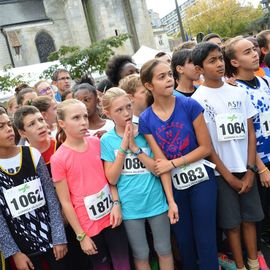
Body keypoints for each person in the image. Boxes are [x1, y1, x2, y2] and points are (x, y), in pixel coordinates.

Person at [139, 59, 218, 270]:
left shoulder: (189, 105)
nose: (169, 80)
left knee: (206, 238)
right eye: (161, 77)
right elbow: (160, 162)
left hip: (202, 179)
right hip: (174, 184)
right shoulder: (146, 119)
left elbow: (206, 148)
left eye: (169, 75)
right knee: (184, 240)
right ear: (149, 85)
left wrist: (174, 162)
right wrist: (171, 201)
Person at [191, 42, 264, 270]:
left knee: (250, 220)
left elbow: (250, 131)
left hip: (246, 167)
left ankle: (253, 263)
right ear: (199, 68)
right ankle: (240, 266)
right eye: (212, 61)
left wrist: (251, 169)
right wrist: (229, 177)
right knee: (232, 225)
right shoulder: (197, 100)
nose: (219, 64)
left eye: (220, 58)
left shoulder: (238, 92)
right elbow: (207, 145)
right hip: (221, 173)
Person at [50, 99, 131, 270]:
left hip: (111, 218)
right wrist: (81, 236)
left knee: (123, 264)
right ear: (62, 123)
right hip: (88, 226)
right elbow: (65, 202)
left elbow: (109, 178)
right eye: (76, 118)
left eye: (85, 116)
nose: (83, 122)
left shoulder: (96, 143)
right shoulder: (58, 159)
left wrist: (116, 203)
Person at [100, 88, 173, 270]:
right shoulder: (107, 141)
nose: (126, 113)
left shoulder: (145, 130)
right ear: (107, 114)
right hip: (130, 208)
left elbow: (158, 169)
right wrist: (124, 148)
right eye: (119, 110)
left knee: (164, 249)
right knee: (141, 254)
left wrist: (136, 149)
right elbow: (112, 179)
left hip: (156, 201)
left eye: (128, 107)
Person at [0, 107, 68, 270]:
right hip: (23, 250)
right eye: (0, 126)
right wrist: (14, 253)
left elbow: (51, 199)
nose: (9, 129)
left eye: (9, 124)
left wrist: (59, 237)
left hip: (53, 243)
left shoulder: (32, 154)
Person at [223, 36, 270, 270]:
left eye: (254, 49)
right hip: (256, 163)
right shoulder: (234, 91)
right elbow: (246, 134)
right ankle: (258, 257)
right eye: (247, 52)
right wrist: (260, 167)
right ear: (234, 61)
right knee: (260, 218)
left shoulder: (265, 83)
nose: (254, 54)